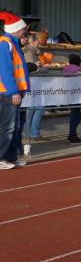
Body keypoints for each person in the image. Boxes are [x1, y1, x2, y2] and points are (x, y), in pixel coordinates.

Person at [0, 12, 30, 169]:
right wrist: (14, 91)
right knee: (8, 127)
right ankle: (2, 158)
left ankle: (10, 158)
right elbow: (5, 70)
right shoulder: (5, 43)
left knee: (14, 127)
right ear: (15, 29)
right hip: (7, 93)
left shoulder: (13, 43)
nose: (24, 32)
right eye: (23, 29)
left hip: (12, 92)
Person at [23, 34, 46, 141]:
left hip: (34, 85)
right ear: (32, 42)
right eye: (37, 43)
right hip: (31, 84)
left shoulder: (32, 52)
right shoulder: (27, 52)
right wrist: (41, 68)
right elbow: (31, 68)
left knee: (36, 108)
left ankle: (32, 133)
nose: (38, 45)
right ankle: (31, 133)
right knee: (33, 109)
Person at [62, 54, 81, 144]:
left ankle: (72, 134)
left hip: (68, 94)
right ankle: (72, 135)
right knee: (76, 115)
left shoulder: (66, 68)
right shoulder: (78, 69)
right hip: (76, 94)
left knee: (74, 114)